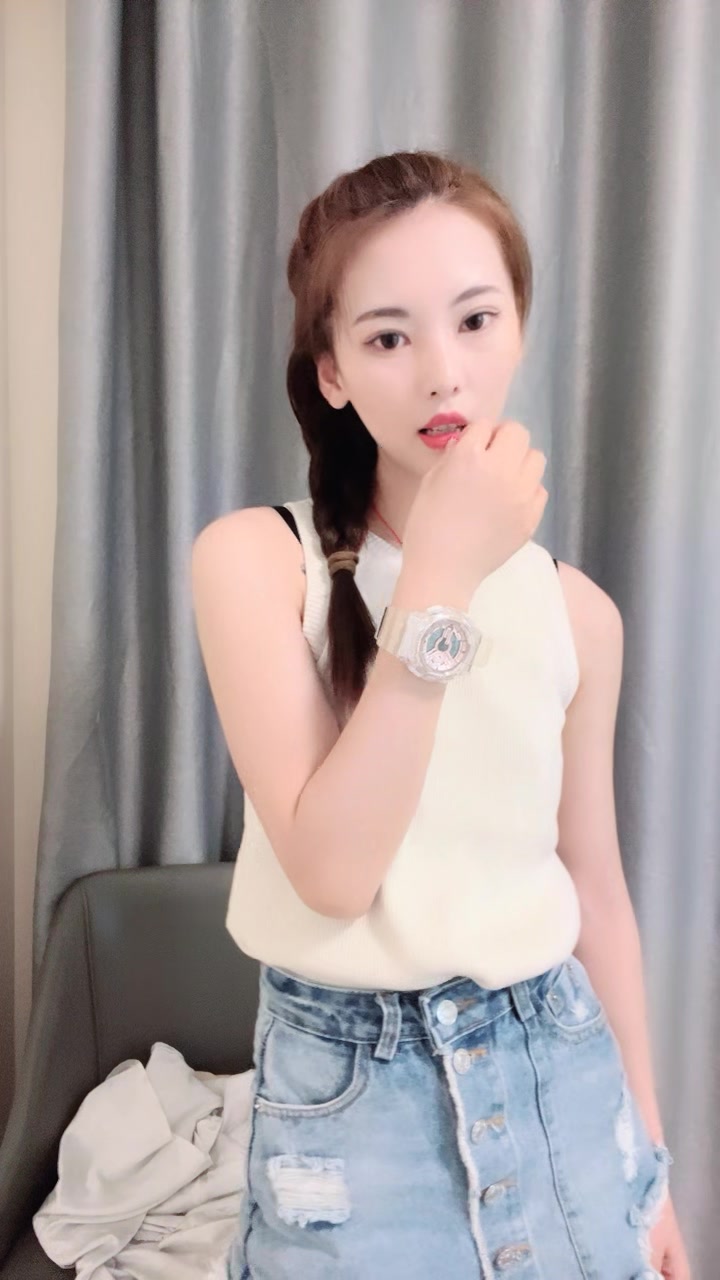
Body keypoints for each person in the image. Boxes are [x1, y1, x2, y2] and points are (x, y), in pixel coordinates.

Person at [191, 149, 677, 1279]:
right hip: (357, 1110)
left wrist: (651, 1160)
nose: (442, 373)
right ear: (332, 372)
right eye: (388, 338)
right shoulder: (255, 560)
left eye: (475, 319)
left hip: (565, 1081)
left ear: (519, 329)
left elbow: (596, 892)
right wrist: (442, 574)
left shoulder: (578, 613)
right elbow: (333, 873)